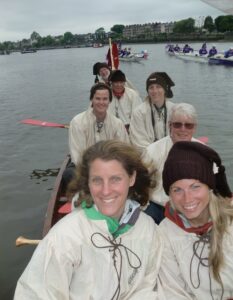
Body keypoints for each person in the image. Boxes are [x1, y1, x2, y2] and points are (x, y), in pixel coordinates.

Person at [14, 140, 165, 300]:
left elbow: (147, 288)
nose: (106, 191)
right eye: (97, 180)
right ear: (88, 182)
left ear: (132, 178)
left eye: (115, 179)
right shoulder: (65, 236)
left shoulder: (148, 230)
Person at [158, 141, 233, 300]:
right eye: (177, 190)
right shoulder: (164, 233)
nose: (187, 198)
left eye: (195, 187)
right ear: (169, 195)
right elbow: (173, 292)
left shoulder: (230, 222)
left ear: (209, 187)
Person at [142, 103, 201, 224]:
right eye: (177, 125)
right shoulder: (151, 151)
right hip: (157, 208)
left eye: (188, 125)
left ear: (194, 128)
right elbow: (141, 184)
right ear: (170, 126)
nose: (183, 129)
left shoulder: (204, 152)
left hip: (190, 207)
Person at [63, 82, 129, 187]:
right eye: (97, 99)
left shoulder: (117, 124)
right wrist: (96, 173)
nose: (101, 102)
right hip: (84, 167)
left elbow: (123, 152)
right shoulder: (77, 122)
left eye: (105, 99)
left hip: (110, 167)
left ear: (109, 101)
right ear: (91, 100)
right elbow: (78, 156)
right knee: (69, 174)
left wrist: (108, 170)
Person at [129, 72, 175, 152]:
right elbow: (139, 142)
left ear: (165, 90)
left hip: (171, 154)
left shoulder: (175, 110)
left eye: (158, 87)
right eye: (151, 87)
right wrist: (158, 154)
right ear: (148, 91)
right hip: (148, 157)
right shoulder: (139, 112)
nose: (155, 91)